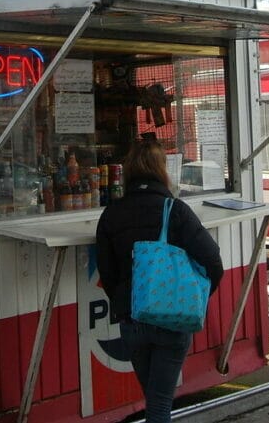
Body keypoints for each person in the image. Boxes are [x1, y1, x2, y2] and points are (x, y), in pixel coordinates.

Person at [95, 139, 224, 422]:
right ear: (161, 170)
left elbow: (107, 272)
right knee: (160, 402)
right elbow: (213, 260)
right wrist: (198, 297)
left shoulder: (110, 214)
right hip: (173, 318)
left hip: (132, 319)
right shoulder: (174, 210)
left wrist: (124, 304)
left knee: (154, 397)